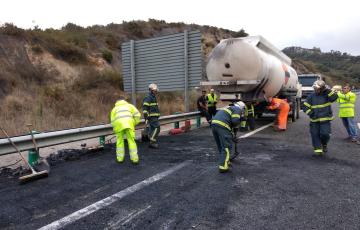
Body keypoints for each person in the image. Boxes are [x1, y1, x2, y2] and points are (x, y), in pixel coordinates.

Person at [303, 80, 338, 156]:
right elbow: (304, 106)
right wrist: (311, 113)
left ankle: (324, 144)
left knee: (325, 134)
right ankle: (318, 150)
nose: (315, 90)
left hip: (325, 120)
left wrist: (327, 90)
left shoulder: (327, 95)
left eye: (317, 88)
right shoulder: (311, 96)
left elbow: (335, 97)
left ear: (322, 88)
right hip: (314, 120)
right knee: (315, 135)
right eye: (315, 88)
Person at [211, 101, 245, 172]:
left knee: (221, 145)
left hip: (214, 125)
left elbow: (230, 126)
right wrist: (240, 119)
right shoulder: (237, 109)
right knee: (226, 147)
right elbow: (235, 121)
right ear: (241, 107)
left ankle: (225, 161)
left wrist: (233, 136)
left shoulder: (228, 108)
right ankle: (223, 167)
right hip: (222, 126)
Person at [110, 96, 141, 164]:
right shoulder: (130, 106)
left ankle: (120, 159)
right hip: (129, 124)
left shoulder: (114, 109)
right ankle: (135, 160)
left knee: (119, 141)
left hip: (119, 125)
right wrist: (134, 122)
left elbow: (112, 121)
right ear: (124, 101)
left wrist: (115, 128)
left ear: (117, 102)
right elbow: (137, 115)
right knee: (131, 141)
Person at [143, 83, 161, 149]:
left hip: (154, 117)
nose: (156, 91)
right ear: (151, 90)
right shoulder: (148, 97)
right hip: (151, 117)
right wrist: (146, 117)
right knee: (157, 128)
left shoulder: (153, 97)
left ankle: (150, 139)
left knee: (152, 129)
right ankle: (152, 142)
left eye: (156, 90)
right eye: (154, 90)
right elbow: (145, 109)